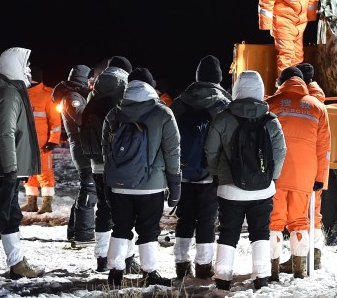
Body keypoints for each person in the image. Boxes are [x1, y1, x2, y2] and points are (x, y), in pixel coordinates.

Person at [206, 69, 287, 292]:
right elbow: (280, 152)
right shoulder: (271, 120)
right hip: (262, 189)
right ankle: (261, 276)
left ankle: (223, 278)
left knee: (228, 231)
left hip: (229, 188)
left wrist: (217, 175)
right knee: (260, 231)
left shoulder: (223, 118)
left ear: (237, 90)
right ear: (260, 91)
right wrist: (272, 177)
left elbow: (211, 150)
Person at [103, 67, 181, 288]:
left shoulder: (114, 113)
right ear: (150, 87)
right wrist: (175, 185)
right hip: (151, 186)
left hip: (119, 184)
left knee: (120, 226)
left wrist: (109, 182)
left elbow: (106, 152)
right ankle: (149, 273)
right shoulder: (163, 113)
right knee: (148, 228)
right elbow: (172, 152)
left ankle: (115, 272)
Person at [170, 54, 231, 279]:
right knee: (207, 219)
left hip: (182, 173)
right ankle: (204, 266)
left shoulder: (179, 102)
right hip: (211, 174)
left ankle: (181, 264)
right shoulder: (224, 103)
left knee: (184, 219)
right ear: (218, 77)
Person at [266, 66, 330, 279]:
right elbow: (324, 149)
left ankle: (272, 271)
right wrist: (320, 178)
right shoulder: (317, 108)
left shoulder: (270, 104)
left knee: (274, 221)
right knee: (300, 221)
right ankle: (300, 270)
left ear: (281, 82)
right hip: (305, 175)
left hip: (275, 174)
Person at [0, 47, 45, 281]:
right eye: (26, 65)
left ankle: (17, 264)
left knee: (10, 217)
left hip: (4, 170)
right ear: (14, 66)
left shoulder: (8, 91)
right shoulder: (7, 94)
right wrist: (11, 168)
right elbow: (5, 133)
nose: (29, 69)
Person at [80, 55, 140, 274]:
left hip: (96, 161)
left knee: (103, 209)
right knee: (126, 211)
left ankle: (101, 257)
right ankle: (127, 257)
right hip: (119, 161)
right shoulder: (125, 88)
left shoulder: (94, 91)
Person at [51, 63, 97, 245]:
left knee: (87, 187)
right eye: (90, 79)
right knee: (89, 187)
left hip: (84, 147)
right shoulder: (71, 97)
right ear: (83, 79)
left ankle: (75, 231)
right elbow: (81, 118)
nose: (92, 83)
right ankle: (83, 235)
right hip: (82, 148)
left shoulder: (77, 94)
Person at [21, 65, 61, 214]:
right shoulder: (22, 94)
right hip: (25, 143)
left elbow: (55, 122)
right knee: (29, 173)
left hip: (42, 144)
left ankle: (47, 204)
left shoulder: (47, 94)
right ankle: (31, 203)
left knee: (44, 173)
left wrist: (53, 140)